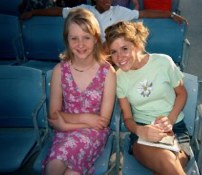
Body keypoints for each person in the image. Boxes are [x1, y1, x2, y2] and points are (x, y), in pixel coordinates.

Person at [104, 21, 190, 175]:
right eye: (114, 51)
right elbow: (128, 118)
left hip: (175, 128)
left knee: (166, 167)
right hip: (142, 133)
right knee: (168, 161)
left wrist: (170, 119)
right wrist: (140, 130)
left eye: (125, 48)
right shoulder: (119, 78)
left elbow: (182, 93)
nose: (119, 57)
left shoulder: (164, 62)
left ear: (137, 45)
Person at [43, 8, 116, 175]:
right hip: (65, 133)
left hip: (93, 134)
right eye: (74, 38)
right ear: (67, 40)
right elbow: (54, 115)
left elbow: (102, 122)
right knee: (55, 167)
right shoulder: (60, 71)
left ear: (96, 39)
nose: (80, 44)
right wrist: (85, 118)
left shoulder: (107, 72)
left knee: (62, 167)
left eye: (86, 38)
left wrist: (66, 123)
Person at [20, 0, 187, 42]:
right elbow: (58, 11)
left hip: (109, 55)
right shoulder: (85, 10)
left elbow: (144, 13)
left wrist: (170, 14)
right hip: (90, 51)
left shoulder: (120, 11)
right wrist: (35, 12)